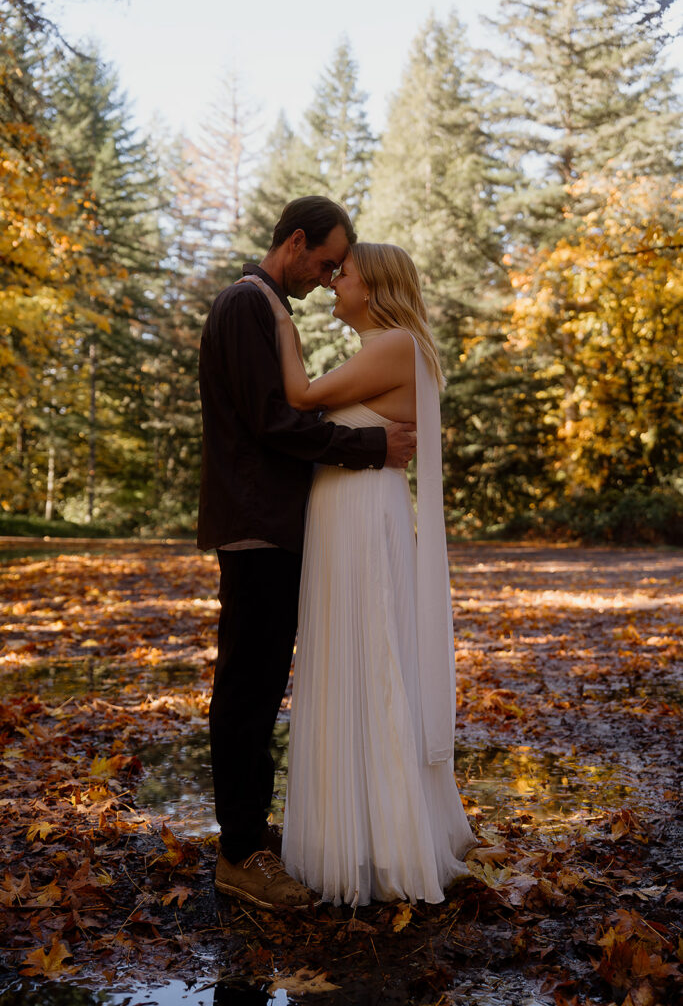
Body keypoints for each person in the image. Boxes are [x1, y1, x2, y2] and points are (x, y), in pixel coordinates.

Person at [197, 198, 416, 911]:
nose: (329, 278)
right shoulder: (246, 305)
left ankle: (251, 836)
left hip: (279, 525)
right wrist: (369, 446)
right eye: (325, 262)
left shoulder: (264, 307)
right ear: (295, 241)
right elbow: (273, 422)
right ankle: (239, 852)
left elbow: (289, 412)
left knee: (261, 687)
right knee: (247, 688)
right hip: (256, 524)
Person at [245, 242, 477, 907]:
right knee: (352, 655)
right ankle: (361, 826)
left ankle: (381, 836)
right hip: (347, 511)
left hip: (358, 516)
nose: (329, 281)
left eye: (339, 274)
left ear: (372, 288)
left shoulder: (395, 343)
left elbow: (300, 395)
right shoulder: (387, 345)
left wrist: (277, 314)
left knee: (369, 656)